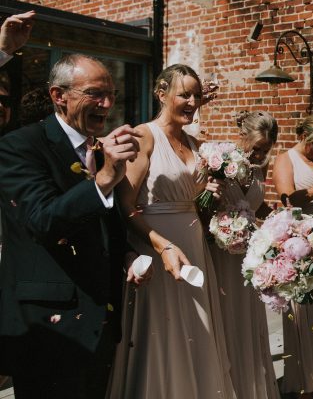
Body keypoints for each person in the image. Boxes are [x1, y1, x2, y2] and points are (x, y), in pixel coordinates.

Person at [0, 53, 146, 398]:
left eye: (111, 94)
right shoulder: (18, 146)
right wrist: (105, 179)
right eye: (95, 93)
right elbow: (43, 221)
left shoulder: (98, 147)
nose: (106, 103)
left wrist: (126, 255)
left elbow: (101, 225)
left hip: (99, 321)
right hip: (49, 328)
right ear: (58, 96)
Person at [108, 64, 236, 398]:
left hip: (193, 245)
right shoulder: (144, 136)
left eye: (197, 95)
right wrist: (160, 244)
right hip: (155, 247)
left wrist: (212, 197)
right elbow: (126, 206)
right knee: (163, 333)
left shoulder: (196, 143)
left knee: (198, 328)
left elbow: (197, 204)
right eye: (184, 94)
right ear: (161, 93)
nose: (193, 101)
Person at [208, 110, 280, 399]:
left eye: (266, 149)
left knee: (248, 320)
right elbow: (205, 201)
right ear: (243, 136)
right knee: (226, 318)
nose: (260, 153)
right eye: (257, 146)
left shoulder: (259, 170)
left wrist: (278, 218)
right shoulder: (223, 164)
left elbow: (255, 206)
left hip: (248, 254)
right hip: (220, 251)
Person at [273, 114, 313, 397]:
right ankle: (307, 383)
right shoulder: (286, 160)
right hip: (304, 248)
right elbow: (288, 200)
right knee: (307, 316)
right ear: (302, 136)